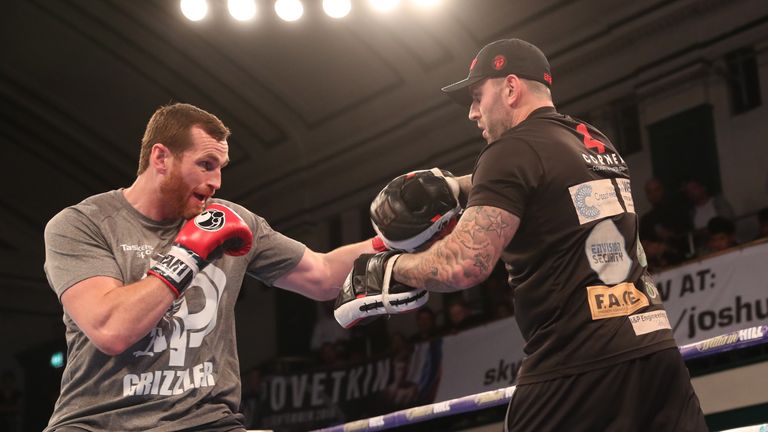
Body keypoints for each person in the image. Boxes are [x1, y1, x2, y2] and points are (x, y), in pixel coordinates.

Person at [337, 39, 707, 430]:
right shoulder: (593, 141)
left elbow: (464, 264)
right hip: (655, 351)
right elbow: (538, 181)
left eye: (477, 97)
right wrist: (456, 187)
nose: (472, 112)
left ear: (511, 88)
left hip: (578, 363)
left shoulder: (509, 150)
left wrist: (389, 269)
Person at [42, 103, 378, 432]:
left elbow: (323, 275)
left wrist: (392, 240)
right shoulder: (83, 224)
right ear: (161, 158)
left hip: (205, 421)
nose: (216, 181)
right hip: (99, 421)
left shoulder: (230, 220)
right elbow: (112, 330)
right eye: (205, 164)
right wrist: (189, 252)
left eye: (220, 167)